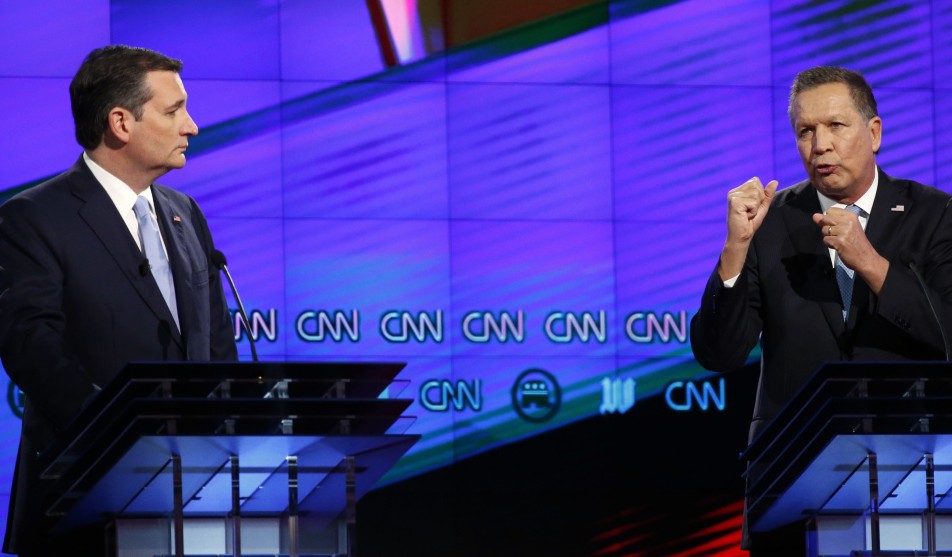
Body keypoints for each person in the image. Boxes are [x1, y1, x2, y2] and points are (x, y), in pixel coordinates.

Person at [690, 66, 952, 555]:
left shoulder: (934, 215)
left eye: (836, 126)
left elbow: (947, 333)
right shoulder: (769, 222)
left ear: (873, 133)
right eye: (805, 131)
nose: (820, 145)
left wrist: (873, 265)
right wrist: (734, 250)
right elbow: (719, 353)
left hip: (912, 483)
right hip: (793, 487)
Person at [0, 45, 238, 556]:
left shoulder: (184, 212)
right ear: (120, 122)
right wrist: (114, 438)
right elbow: (31, 345)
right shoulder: (35, 218)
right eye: (174, 111)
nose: (191, 126)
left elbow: (217, 349)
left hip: (194, 502)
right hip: (86, 499)